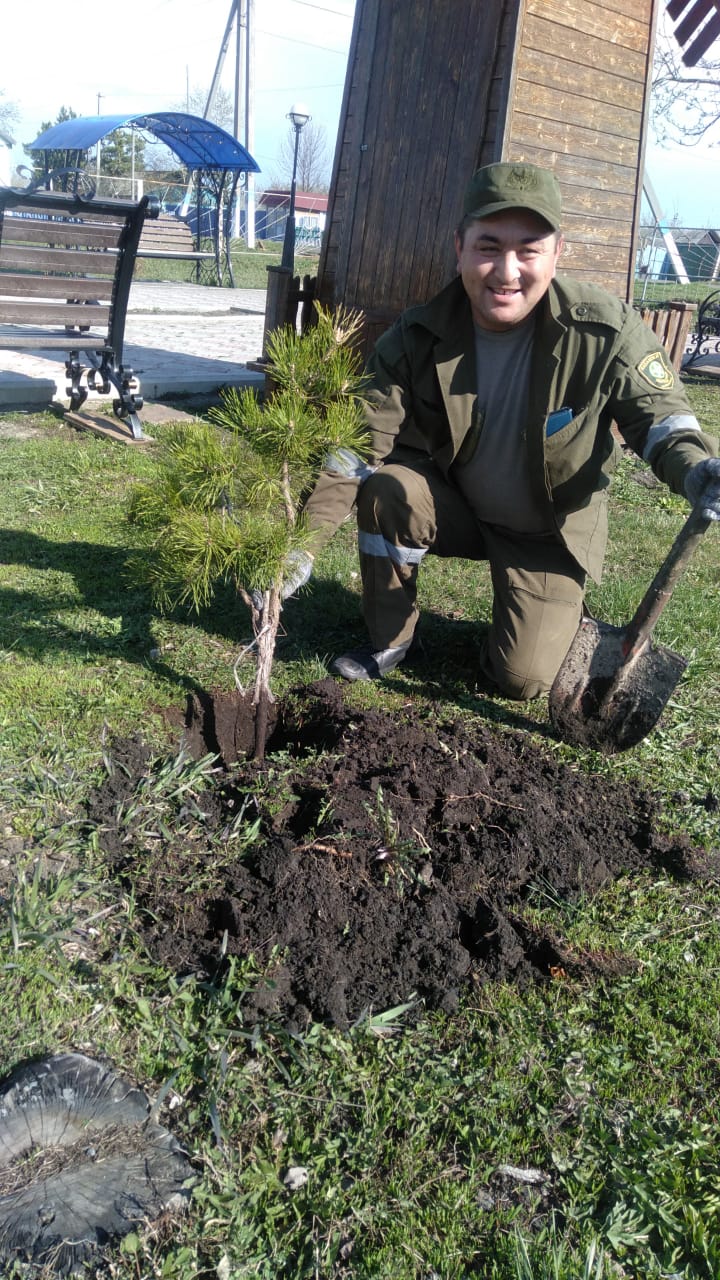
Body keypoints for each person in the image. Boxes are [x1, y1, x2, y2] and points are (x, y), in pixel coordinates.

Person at [289, 161, 720, 698]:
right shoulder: (418, 334)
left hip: (547, 530)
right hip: (459, 506)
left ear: (557, 253)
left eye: (529, 249)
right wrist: (299, 546)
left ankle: (548, 612)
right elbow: (355, 444)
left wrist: (696, 468)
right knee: (388, 489)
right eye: (489, 246)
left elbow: (661, 420)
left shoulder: (606, 331)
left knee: (521, 680)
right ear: (460, 248)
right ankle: (391, 640)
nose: (506, 271)